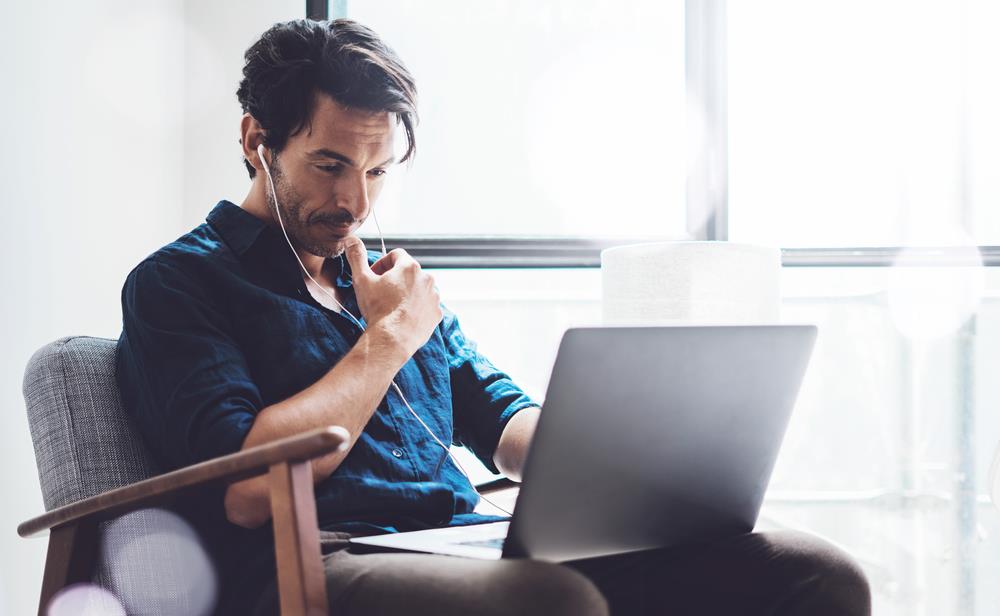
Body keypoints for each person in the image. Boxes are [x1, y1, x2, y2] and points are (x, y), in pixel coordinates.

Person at [116, 18, 871, 616]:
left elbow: (500, 420)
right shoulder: (180, 284)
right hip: (313, 563)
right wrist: (387, 340)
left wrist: (640, 462)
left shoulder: (385, 284)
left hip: (456, 544)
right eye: (330, 164)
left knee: (812, 574)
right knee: (550, 601)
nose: (355, 202)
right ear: (257, 141)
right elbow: (248, 490)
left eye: (377, 171)